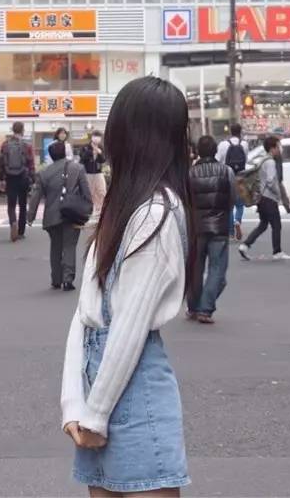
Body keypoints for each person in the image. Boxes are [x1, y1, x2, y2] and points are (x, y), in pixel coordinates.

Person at [61, 76, 197, 495]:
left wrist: (94, 413)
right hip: (99, 387)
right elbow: (85, 313)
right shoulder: (122, 207)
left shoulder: (155, 213)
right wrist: (73, 406)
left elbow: (130, 326)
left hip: (132, 390)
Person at [29, 141, 91, 292]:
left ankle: (56, 278)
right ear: (65, 152)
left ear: (50, 155)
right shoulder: (78, 168)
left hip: (52, 215)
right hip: (72, 214)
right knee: (69, 245)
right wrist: (87, 211)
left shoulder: (44, 173)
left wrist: (30, 216)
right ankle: (68, 279)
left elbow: (35, 196)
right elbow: (86, 193)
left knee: (55, 246)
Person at [188, 135, 234, 323]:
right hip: (219, 226)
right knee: (217, 270)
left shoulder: (190, 173)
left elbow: (186, 201)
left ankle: (194, 307)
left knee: (195, 269)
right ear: (215, 151)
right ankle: (205, 309)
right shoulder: (226, 171)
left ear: (198, 151)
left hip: (196, 227)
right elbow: (232, 198)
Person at [238, 135, 290, 261]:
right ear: (272, 148)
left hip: (261, 198)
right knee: (276, 225)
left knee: (263, 224)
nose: (280, 149)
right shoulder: (271, 162)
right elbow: (270, 181)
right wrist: (278, 194)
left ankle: (245, 245)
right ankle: (277, 251)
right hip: (269, 198)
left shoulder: (263, 160)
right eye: (278, 146)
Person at [0, 122, 36, 242]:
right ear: (23, 130)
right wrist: (33, 179)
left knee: (11, 205)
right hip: (23, 177)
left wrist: (1, 179)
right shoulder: (27, 146)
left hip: (10, 178)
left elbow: (1, 163)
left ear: (13, 130)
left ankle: (13, 222)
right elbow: (31, 164)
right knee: (23, 205)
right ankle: (20, 232)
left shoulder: (5, 145)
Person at [216, 124, 249, 239]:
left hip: (227, 177)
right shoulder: (244, 144)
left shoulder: (223, 145)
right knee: (240, 204)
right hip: (240, 176)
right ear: (240, 132)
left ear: (230, 131)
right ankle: (237, 221)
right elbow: (246, 159)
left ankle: (230, 233)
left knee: (228, 206)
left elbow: (218, 160)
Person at [79, 131, 108, 211]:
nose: (96, 138)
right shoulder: (85, 147)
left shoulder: (101, 147)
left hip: (98, 172)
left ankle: (100, 209)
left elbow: (103, 160)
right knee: (89, 191)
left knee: (101, 191)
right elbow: (82, 158)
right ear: (92, 137)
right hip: (88, 173)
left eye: (98, 136)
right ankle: (89, 209)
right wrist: (91, 152)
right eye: (95, 136)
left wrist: (99, 152)